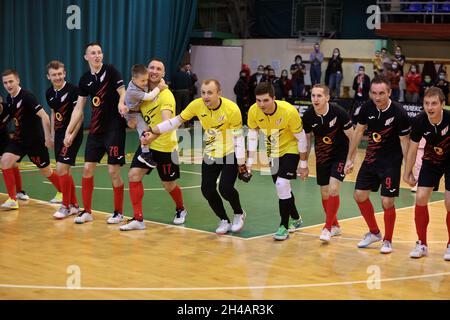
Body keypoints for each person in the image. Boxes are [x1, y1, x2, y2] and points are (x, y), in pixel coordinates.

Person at [145, 79, 248, 235]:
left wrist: (241, 165)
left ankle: (239, 213)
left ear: (219, 93)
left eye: (210, 93)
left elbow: (238, 139)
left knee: (225, 188)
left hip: (230, 152)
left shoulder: (232, 109)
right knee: (207, 189)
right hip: (211, 152)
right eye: (203, 92)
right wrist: (154, 129)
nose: (205, 96)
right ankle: (224, 219)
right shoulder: (196, 105)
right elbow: (176, 121)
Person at [344, 75, 410, 254]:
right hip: (371, 159)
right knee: (359, 195)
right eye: (374, 93)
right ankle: (374, 232)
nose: (378, 97)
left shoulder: (399, 113)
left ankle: (388, 240)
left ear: (389, 92)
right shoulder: (367, 107)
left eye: (381, 93)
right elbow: (358, 132)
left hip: (391, 163)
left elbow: (405, 141)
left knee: (387, 201)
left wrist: (409, 169)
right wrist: (350, 159)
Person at [119, 59, 188, 231]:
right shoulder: (142, 90)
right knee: (134, 175)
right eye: (152, 68)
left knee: (168, 184)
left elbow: (167, 123)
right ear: (147, 71)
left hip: (165, 145)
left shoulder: (165, 95)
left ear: (163, 74)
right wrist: (129, 117)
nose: (154, 71)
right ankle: (138, 219)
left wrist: (152, 136)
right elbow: (128, 102)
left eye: (159, 69)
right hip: (147, 144)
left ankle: (181, 209)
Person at [64, 42, 127, 224]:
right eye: (93, 53)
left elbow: (122, 92)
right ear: (86, 57)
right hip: (96, 130)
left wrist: (121, 103)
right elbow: (79, 108)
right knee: (87, 169)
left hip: (114, 129)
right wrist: (69, 132)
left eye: (99, 52)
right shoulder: (85, 79)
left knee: (113, 171)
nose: (97, 55)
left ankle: (118, 212)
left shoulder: (112, 71)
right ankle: (87, 211)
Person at [246, 82, 307, 241]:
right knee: (283, 187)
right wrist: (249, 162)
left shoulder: (288, 111)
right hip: (272, 150)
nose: (261, 104)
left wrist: (303, 164)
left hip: (290, 148)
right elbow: (252, 136)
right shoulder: (253, 111)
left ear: (274, 98)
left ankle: (283, 226)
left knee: (281, 184)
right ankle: (296, 217)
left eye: (265, 100)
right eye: (258, 100)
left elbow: (301, 138)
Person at [1, 69, 62, 209]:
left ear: (17, 80)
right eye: (5, 83)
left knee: (45, 170)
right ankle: (12, 199)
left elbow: (45, 116)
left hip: (35, 141)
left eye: (11, 81)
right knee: (5, 160)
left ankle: (63, 192)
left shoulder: (27, 96)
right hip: (19, 140)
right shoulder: (9, 98)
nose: (8, 85)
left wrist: (48, 137)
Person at [403, 87, 450, 261]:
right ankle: (421, 243)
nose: (430, 107)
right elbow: (413, 148)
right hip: (432, 160)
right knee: (421, 197)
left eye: (434, 104)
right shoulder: (419, 121)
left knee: (449, 202)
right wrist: (407, 172)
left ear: (442, 104)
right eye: (426, 103)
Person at [302, 84, 354, 242]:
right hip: (322, 156)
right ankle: (335, 226)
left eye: (319, 96)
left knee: (333, 188)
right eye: (313, 96)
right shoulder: (309, 115)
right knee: (325, 192)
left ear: (327, 98)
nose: (315, 99)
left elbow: (353, 137)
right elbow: (307, 138)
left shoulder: (339, 113)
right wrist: (303, 163)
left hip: (340, 155)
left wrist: (350, 160)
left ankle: (327, 228)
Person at [45, 60, 83, 219]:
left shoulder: (74, 90)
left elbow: (79, 115)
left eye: (60, 74)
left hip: (72, 133)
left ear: (64, 73)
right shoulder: (49, 93)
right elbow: (53, 113)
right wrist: (53, 134)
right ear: (48, 77)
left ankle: (65, 206)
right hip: (59, 134)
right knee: (64, 171)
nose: (57, 77)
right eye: (54, 75)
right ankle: (74, 205)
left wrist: (71, 136)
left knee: (61, 169)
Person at [123, 64, 167, 168]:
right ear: (133, 79)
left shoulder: (140, 82)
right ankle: (145, 154)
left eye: (146, 80)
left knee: (145, 130)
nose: (145, 83)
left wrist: (162, 81)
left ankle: (145, 152)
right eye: (142, 81)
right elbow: (149, 96)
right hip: (132, 114)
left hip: (138, 110)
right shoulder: (133, 90)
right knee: (144, 131)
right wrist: (159, 87)